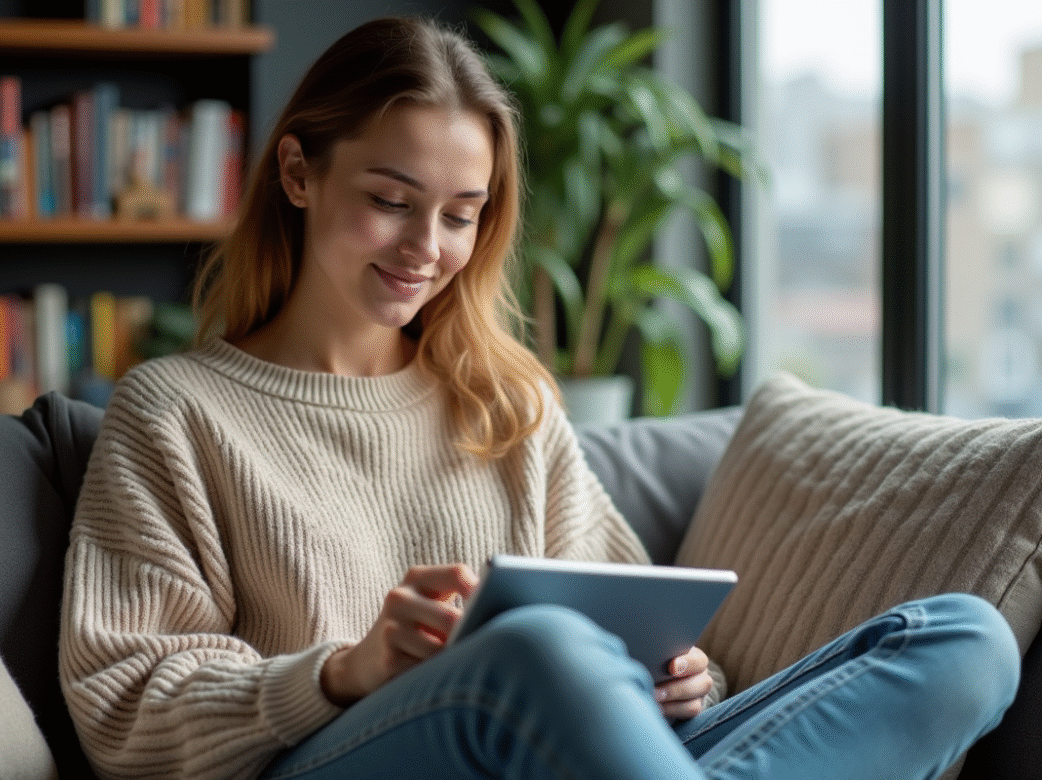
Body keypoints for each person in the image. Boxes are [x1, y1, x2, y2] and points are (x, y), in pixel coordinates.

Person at [59, 15, 1019, 780]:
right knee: (539, 650)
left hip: (568, 757)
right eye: (391, 200)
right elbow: (129, 711)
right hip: (349, 757)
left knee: (961, 637)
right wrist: (346, 671)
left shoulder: (505, 406)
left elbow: (634, 643)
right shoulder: (175, 413)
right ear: (300, 173)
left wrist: (682, 681)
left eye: (460, 216)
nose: (424, 248)